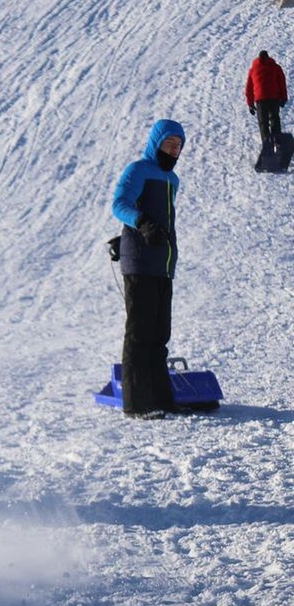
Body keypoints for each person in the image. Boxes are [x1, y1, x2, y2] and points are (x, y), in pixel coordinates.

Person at [111, 120, 185, 419]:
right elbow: (120, 204)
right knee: (139, 333)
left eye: (179, 146)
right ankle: (136, 403)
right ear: (156, 143)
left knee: (159, 334)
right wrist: (141, 223)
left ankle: (161, 398)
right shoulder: (138, 170)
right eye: (169, 144)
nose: (174, 150)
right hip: (140, 262)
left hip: (162, 264)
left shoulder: (173, 180)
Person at [245, 51, 288, 143]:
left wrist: (250, 104)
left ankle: (267, 144)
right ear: (268, 57)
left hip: (260, 100)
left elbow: (249, 88)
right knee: (275, 119)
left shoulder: (253, 69)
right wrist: (283, 97)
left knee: (263, 122)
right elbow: (282, 83)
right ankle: (277, 142)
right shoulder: (276, 67)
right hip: (274, 98)